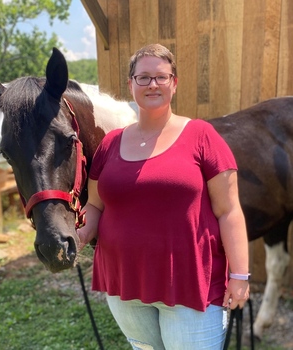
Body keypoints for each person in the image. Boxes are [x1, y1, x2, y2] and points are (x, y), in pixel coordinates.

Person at [77, 43, 250, 350]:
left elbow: (229, 211)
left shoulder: (202, 136)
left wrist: (239, 275)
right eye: (143, 77)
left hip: (190, 287)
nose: (152, 84)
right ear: (131, 85)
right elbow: (95, 205)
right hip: (124, 285)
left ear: (174, 83)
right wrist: (75, 237)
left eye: (161, 76)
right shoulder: (110, 144)